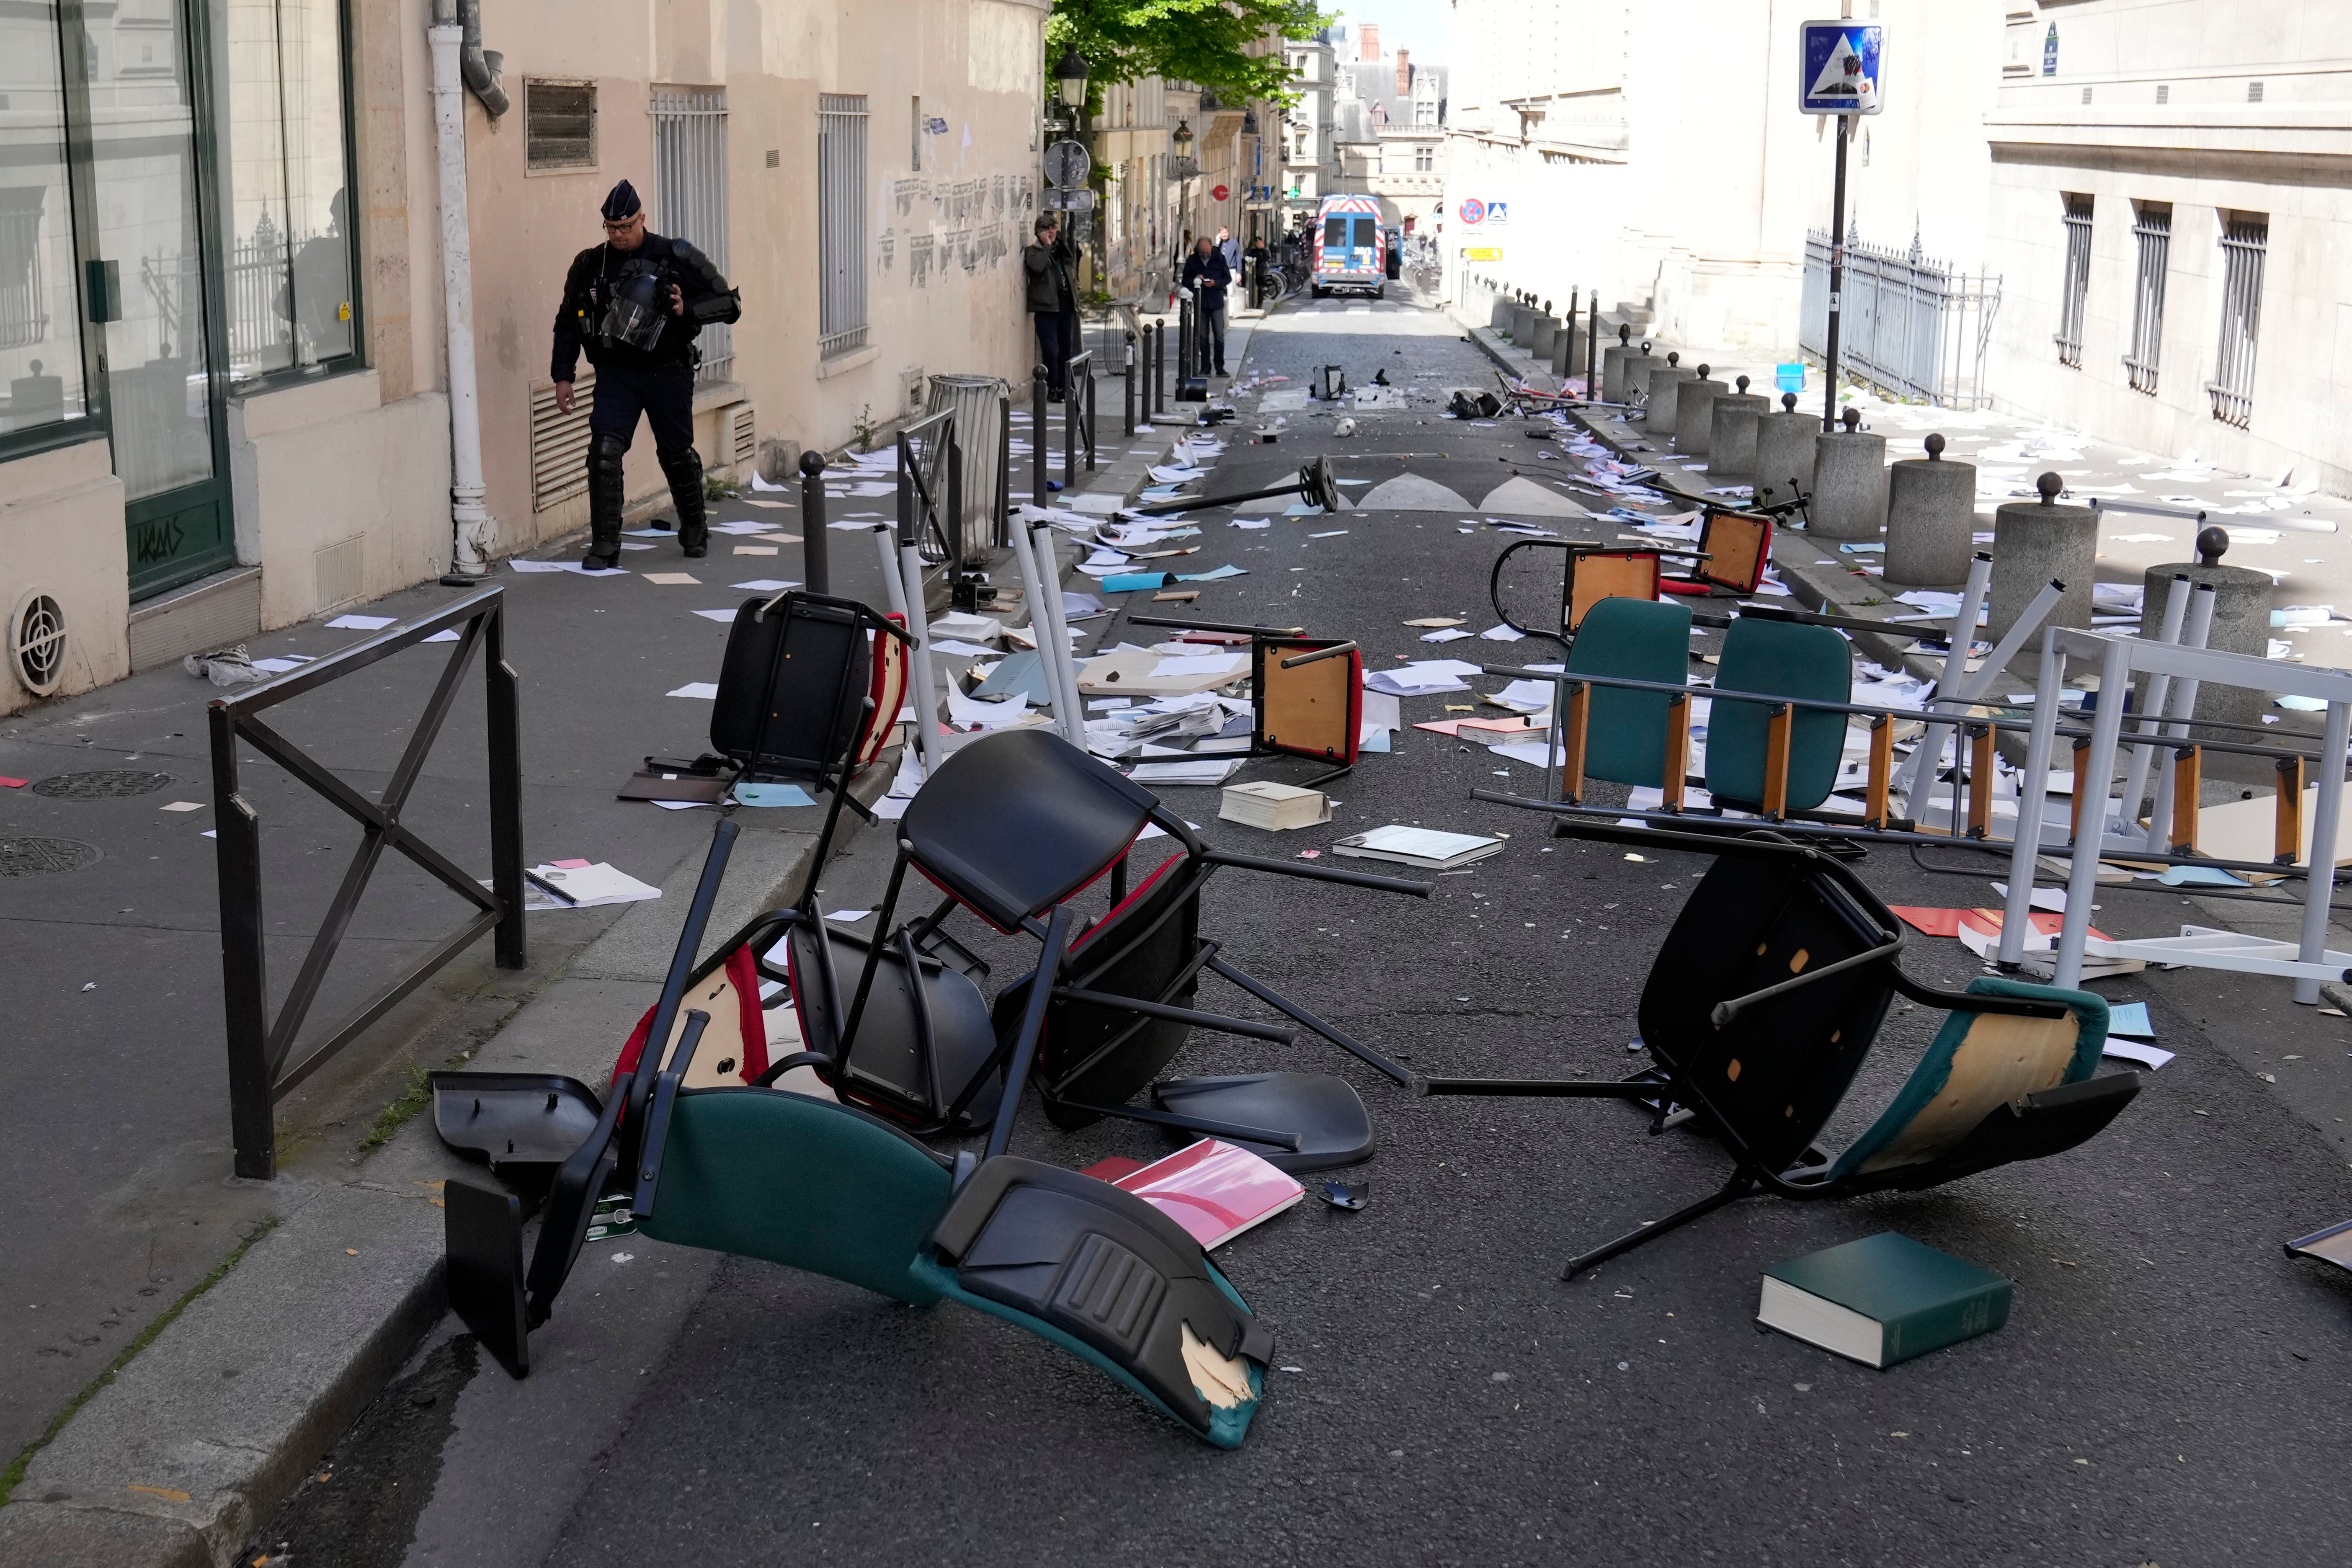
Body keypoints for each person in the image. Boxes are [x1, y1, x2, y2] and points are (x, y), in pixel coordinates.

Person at [551, 179, 741, 567]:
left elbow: (729, 304)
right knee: (604, 451)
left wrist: (685, 308)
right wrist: (563, 375)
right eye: (611, 228)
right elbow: (568, 322)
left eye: (626, 227)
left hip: (667, 369)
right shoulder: (590, 264)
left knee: (675, 453)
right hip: (617, 372)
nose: (619, 235)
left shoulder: (676, 255)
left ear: (642, 219)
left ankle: (695, 527)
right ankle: (605, 546)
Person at [1022, 215, 1081, 402]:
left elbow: (1073, 258)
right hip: (1046, 309)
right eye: (1047, 229)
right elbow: (1037, 268)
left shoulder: (1060, 250)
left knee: (1066, 350)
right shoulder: (1033, 252)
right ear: (1039, 233)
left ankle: (1064, 389)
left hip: (1066, 306)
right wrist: (1047, 246)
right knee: (1051, 351)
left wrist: (1058, 243)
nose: (1052, 232)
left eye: (1054, 228)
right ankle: (1052, 388)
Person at [1180, 234, 1232, 378]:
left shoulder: (1219, 258)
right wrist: (1196, 280)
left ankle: (1220, 368)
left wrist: (1216, 283)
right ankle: (1205, 367)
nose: (1205, 255)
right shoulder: (1193, 260)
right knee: (1202, 337)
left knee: (1219, 336)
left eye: (1207, 252)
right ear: (1198, 250)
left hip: (1216, 301)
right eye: (1202, 253)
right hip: (1201, 302)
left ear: (1211, 248)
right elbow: (1185, 281)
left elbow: (1227, 278)